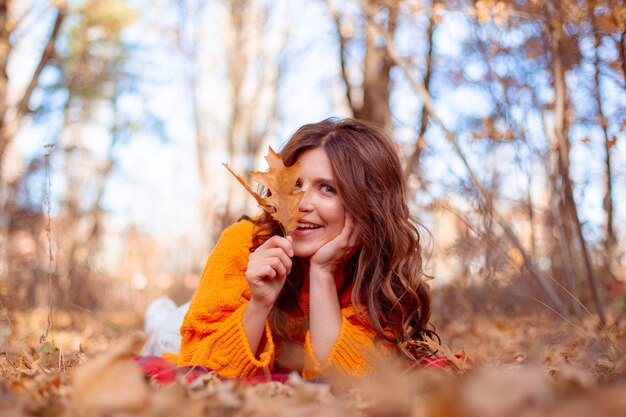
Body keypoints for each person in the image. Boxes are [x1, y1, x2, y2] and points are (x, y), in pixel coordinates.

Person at [163, 118, 437, 379]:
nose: (302, 203)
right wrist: (259, 303)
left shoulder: (376, 273)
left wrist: (322, 273)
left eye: (328, 189)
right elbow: (202, 367)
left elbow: (346, 380)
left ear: (367, 204)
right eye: (295, 185)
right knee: (164, 332)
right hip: (185, 330)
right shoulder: (243, 242)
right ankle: (160, 313)